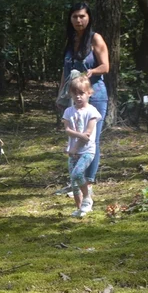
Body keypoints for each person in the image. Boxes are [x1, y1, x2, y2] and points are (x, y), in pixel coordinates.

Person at [59, 2, 109, 212]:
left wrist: (92, 71)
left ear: (88, 17)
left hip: (94, 94)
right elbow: (65, 69)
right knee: (76, 135)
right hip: (74, 95)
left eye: (82, 16)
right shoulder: (71, 40)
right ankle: (79, 181)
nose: (78, 20)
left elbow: (106, 66)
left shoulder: (95, 38)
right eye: (74, 17)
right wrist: (60, 93)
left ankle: (88, 182)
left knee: (92, 139)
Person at [61, 74, 100, 218]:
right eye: (75, 93)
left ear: (89, 93)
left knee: (78, 174)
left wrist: (75, 147)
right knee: (73, 181)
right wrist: (76, 140)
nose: (78, 97)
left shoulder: (92, 112)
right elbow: (67, 130)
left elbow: (87, 135)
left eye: (81, 93)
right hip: (72, 152)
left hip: (86, 151)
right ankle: (80, 209)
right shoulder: (68, 111)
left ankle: (87, 198)